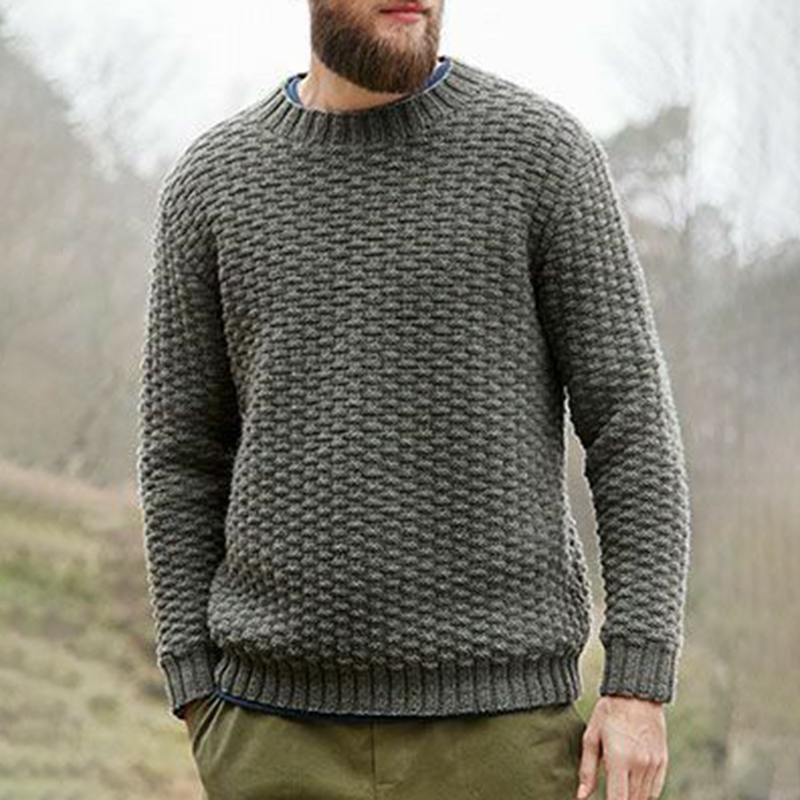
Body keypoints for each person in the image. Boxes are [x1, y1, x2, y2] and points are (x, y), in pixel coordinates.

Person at [136, 1, 692, 798]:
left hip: (505, 737)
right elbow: (181, 454)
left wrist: (639, 681)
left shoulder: (541, 156)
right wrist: (195, 688)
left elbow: (631, 428)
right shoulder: (214, 183)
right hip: (270, 738)